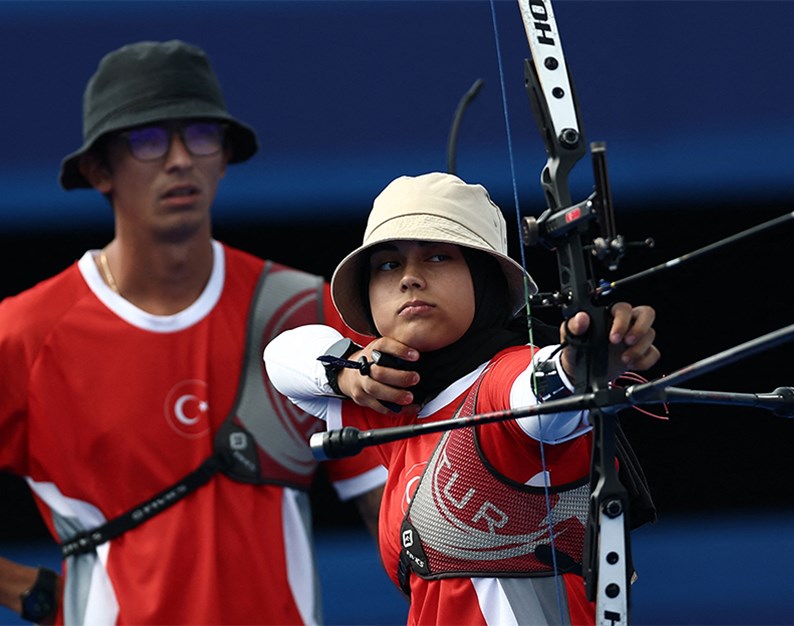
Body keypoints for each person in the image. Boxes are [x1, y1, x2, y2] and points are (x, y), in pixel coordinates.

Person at [0, 40, 386, 625]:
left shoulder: (302, 310)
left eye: (201, 135)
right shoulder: (25, 335)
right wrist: (23, 588)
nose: (180, 159)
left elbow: (389, 508)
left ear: (225, 156)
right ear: (99, 169)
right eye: (148, 140)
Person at [264, 172, 660, 624]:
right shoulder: (390, 398)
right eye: (388, 265)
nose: (411, 278)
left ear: (485, 279)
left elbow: (537, 391)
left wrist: (582, 364)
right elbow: (280, 357)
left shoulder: (503, 378)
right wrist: (347, 372)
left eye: (437, 257)